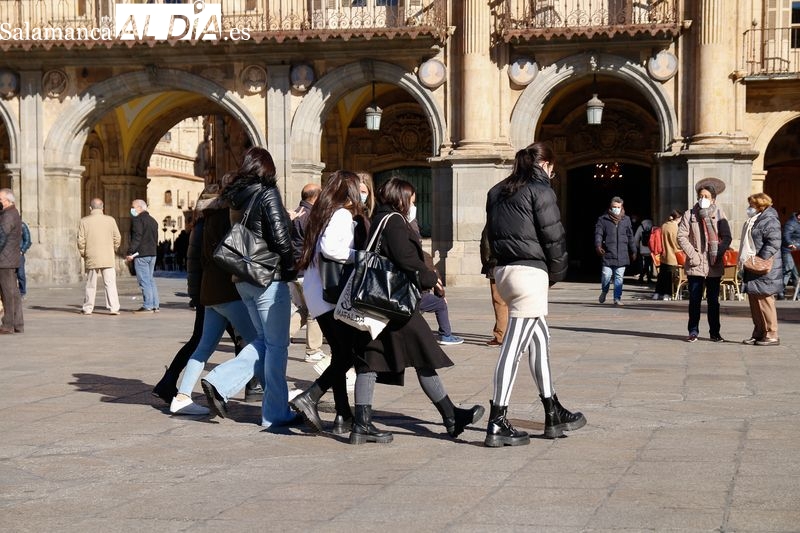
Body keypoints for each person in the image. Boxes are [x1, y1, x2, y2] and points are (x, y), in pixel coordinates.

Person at [348, 177, 484, 445]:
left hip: (376, 301)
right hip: (395, 304)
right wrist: (430, 278)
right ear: (401, 197)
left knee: (371, 359)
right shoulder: (395, 221)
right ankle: (451, 416)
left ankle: (361, 425)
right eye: (411, 198)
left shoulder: (378, 219)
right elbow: (406, 259)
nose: (413, 203)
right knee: (423, 355)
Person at [484, 142, 585, 447]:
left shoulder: (496, 191)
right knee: (513, 348)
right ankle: (498, 420)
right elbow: (553, 235)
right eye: (552, 169)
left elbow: (490, 233)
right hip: (529, 273)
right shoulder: (540, 190)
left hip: (504, 272)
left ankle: (552, 411)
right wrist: (556, 273)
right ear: (545, 165)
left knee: (539, 340)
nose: (552, 174)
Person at [199, 147, 299, 429]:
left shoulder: (235, 197)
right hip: (268, 277)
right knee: (277, 346)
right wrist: (291, 267)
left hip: (242, 279)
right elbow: (280, 240)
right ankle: (228, 386)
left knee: (265, 342)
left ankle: (267, 406)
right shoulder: (267, 193)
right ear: (267, 168)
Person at [151, 185, 248, 405]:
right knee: (246, 341)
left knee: (213, 341)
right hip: (220, 293)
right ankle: (224, 385)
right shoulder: (214, 223)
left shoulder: (201, 224)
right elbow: (197, 264)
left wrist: (196, 294)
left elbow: (194, 265)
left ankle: (173, 385)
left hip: (208, 292)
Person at [289, 170, 367, 434]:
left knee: (340, 354)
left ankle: (343, 414)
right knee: (348, 355)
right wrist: (361, 257)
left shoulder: (324, 212)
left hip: (316, 291)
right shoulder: (342, 214)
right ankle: (310, 397)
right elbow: (332, 250)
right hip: (330, 294)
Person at [677, 182, 732, 343]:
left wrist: (719, 252)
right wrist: (693, 255)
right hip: (696, 264)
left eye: (706, 196)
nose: (703, 199)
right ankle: (693, 331)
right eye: (701, 196)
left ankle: (715, 332)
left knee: (713, 301)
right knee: (694, 300)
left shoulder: (720, 214)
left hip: (714, 264)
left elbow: (727, 237)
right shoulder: (690, 214)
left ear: (713, 199)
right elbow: (681, 236)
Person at [289, 183, 327, 363]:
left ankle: (280, 337)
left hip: (295, 271)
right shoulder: (312, 217)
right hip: (307, 270)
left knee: (303, 309)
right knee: (315, 311)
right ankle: (313, 350)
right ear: (315, 198)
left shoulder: (295, 213)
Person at [739, 193, 782, 346]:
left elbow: (774, 242)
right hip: (753, 265)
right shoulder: (755, 219)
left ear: (760, 205)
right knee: (754, 300)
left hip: (764, 267)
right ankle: (759, 332)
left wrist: (760, 259)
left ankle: (771, 333)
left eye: (752, 205)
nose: (749, 208)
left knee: (765, 300)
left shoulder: (769, 219)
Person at [77, 198, 122, 315]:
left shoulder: (84, 221)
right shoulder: (110, 220)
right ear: (103, 208)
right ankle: (114, 307)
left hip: (91, 256)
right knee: (110, 283)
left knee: (91, 284)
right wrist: (113, 249)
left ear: (90, 208)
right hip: (107, 256)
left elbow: (80, 241)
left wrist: (84, 253)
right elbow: (117, 237)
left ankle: (88, 308)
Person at [594, 196, 636, 306]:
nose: (616, 209)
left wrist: (634, 250)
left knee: (619, 277)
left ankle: (617, 298)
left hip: (622, 253)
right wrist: (598, 246)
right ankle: (604, 290)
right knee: (606, 275)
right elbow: (598, 234)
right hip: (608, 253)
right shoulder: (603, 219)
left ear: (622, 207)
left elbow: (630, 236)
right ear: (610, 207)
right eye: (614, 207)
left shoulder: (626, 220)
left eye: (618, 207)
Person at [125, 199, 160, 313]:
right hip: (152, 253)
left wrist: (130, 252)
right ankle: (155, 304)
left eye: (133, 207)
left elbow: (137, 237)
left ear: (139, 208)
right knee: (150, 279)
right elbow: (155, 239)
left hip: (141, 255)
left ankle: (148, 305)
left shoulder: (138, 220)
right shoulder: (153, 221)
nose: (132, 209)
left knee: (144, 280)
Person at [0, 188, 23, 334]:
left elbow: (1, 237)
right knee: (13, 292)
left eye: (1, 199)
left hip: (4, 259)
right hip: (9, 258)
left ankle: (8, 325)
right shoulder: (13, 213)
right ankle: (17, 323)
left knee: (7, 292)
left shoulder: (8, 215)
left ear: (8, 201)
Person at [480, 225, 508, 346]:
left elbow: (485, 244)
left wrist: (487, 262)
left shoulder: (493, 221)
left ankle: (500, 336)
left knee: (499, 302)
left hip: (496, 264)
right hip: (515, 264)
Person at [652, 210, 682, 300]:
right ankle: (667, 294)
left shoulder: (664, 225)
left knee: (661, 276)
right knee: (670, 276)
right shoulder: (675, 227)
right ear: (679, 218)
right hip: (673, 255)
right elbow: (677, 242)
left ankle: (657, 293)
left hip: (663, 254)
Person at [781, 210, 800, 293]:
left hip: (797, 250)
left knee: (796, 272)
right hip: (789, 250)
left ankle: (797, 293)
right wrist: (790, 243)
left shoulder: (798, 223)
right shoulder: (791, 223)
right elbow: (786, 234)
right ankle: (781, 291)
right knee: (787, 271)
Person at [633, 218, 655, 284]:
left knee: (642, 264)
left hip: (642, 249)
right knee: (649, 264)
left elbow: (636, 238)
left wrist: (638, 247)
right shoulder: (653, 227)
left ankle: (641, 277)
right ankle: (648, 278)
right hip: (651, 249)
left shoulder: (641, 227)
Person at [17, 221, 30, 299]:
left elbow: (27, 239)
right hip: (9, 254)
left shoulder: (22, 225)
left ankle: (22, 292)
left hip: (19, 254)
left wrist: (22, 250)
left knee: (20, 273)